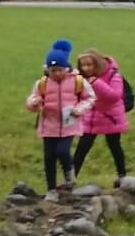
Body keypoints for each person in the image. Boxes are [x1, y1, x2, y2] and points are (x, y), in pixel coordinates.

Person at [25, 48, 95, 193]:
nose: (56, 73)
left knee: (63, 151)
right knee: (49, 157)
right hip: (48, 126)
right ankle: (51, 189)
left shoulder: (77, 81)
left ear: (66, 68)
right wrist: (35, 103)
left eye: (60, 70)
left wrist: (79, 109)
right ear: (48, 70)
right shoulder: (42, 84)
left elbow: (90, 98)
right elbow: (31, 101)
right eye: (53, 70)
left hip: (69, 125)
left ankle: (70, 177)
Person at [73, 49, 129, 186]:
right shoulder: (81, 78)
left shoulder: (113, 76)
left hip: (110, 117)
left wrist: (96, 83)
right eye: (83, 65)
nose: (86, 68)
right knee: (82, 148)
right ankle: (71, 179)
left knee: (115, 146)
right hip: (91, 117)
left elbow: (115, 96)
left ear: (97, 64)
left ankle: (122, 176)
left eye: (89, 65)